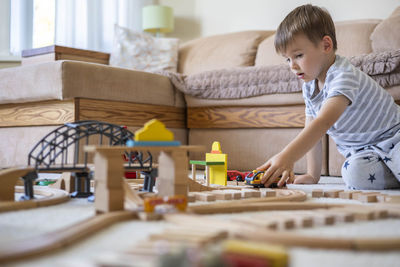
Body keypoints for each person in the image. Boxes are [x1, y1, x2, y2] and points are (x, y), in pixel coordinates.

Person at [257, 4, 400, 190]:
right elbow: (312, 130)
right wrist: (312, 175)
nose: (292, 65)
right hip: (364, 153)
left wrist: (287, 156)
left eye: (298, 55)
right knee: (352, 174)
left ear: (326, 45)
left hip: (394, 138)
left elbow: (323, 122)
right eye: (287, 59)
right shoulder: (309, 87)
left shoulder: (344, 75)